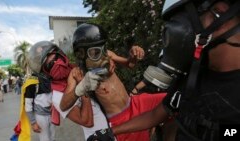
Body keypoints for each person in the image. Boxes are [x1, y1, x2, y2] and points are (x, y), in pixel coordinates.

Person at [86, 0, 240, 141]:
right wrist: (110, 132)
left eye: (181, 22)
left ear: (219, 12)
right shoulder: (192, 77)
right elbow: (155, 115)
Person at [60, 23, 166, 141]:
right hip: (120, 118)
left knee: (173, 102)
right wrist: (81, 88)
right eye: (94, 51)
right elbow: (63, 106)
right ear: (81, 53)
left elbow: (129, 64)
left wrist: (134, 54)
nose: (102, 54)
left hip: (134, 102)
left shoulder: (107, 54)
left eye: (103, 47)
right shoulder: (77, 73)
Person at [23, 74, 55, 141]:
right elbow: (28, 105)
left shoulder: (51, 78)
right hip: (40, 116)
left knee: (53, 138)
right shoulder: (31, 82)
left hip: (53, 114)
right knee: (45, 139)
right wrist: (33, 122)